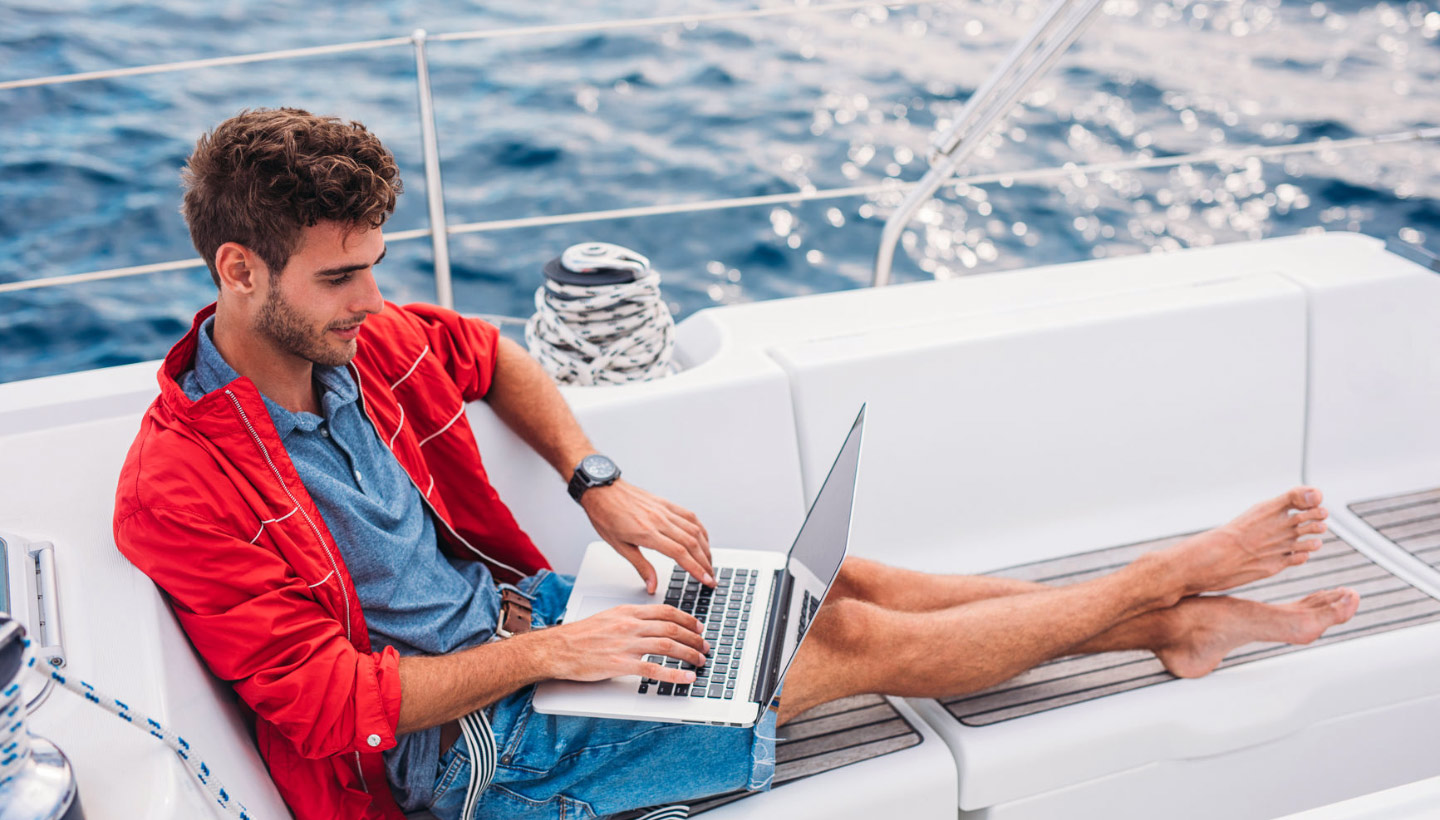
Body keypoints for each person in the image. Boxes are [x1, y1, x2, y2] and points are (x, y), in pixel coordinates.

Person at [113, 108, 1360, 820]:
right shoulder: (182, 482)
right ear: (238, 271)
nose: (374, 300)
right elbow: (333, 704)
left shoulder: (358, 343)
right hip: (471, 758)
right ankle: (1167, 581)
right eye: (343, 277)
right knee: (846, 644)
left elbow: (491, 356)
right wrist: (555, 652)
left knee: (839, 577)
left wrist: (596, 478)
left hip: (524, 627)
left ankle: (1168, 633)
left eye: (376, 264)